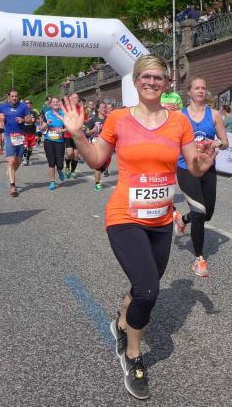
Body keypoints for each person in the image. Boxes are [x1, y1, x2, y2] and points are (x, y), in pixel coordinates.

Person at [59, 55, 216, 400]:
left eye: (159, 77)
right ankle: (132, 355)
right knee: (147, 291)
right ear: (135, 80)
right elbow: (97, 159)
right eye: (146, 76)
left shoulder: (179, 123)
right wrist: (77, 133)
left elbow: (192, 165)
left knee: (143, 284)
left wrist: (203, 164)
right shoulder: (118, 119)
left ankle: (120, 322)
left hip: (160, 220)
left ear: (167, 82)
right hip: (124, 217)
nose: (152, 82)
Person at [172, 76, 229, 277]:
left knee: (207, 213)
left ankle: (182, 220)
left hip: (207, 168)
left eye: (203, 88)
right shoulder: (179, 115)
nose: (200, 91)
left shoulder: (214, 115)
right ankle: (199, 259)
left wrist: (215, 143)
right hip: (185, 167)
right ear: (189, 91)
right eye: (196, 88)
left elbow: (225, 142)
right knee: (199, 212)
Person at [0, 89, 30, 197]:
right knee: (11, 160)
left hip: (20, 135)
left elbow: (29, 120)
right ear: (9, 97)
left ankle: (10, 172)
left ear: (18, 96)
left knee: (18, 161)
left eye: (16, 96)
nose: (14, 98)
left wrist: (23, 120)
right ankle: (12, 185)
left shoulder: (23, 106)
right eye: (12, 96)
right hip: (8, 134)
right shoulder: (3, 106)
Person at [84, 101, 110, 191]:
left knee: (103, 165)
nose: (104, 109)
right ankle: (97, 184)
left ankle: (101, 173)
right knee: (98, 165)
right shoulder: (93, 120)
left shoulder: (108, 119)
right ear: (98, 109)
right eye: (102, 107)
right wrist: (93, 130)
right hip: (96, 144)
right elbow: (87, 133)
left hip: (106, 144)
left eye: (105, 107)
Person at [42, 96, 66, 190]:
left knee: (59, 164)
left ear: (59, 103)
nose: (55, 103)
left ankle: (59, 170)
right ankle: (52, 181)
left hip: (60, 141)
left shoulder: (63, 114)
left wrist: (62, 130)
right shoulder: (47, 114)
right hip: (49, 141)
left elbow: (69, 127)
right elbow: (42, 128)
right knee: (51, 162)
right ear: (50, 104)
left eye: (57, 101)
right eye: (53, 102)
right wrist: (47, 124)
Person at [63, 93, 84, 179]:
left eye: (77, 97)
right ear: (70, 99)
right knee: (70, 153)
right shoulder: (66, 109)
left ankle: (73, 171)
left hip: (77, 135)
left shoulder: (80, 108)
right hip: (68, 134)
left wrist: (83, 125)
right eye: (75, 98)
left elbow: (84, 120)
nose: (77, 99)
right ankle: (67, 167)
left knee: (76, 155)